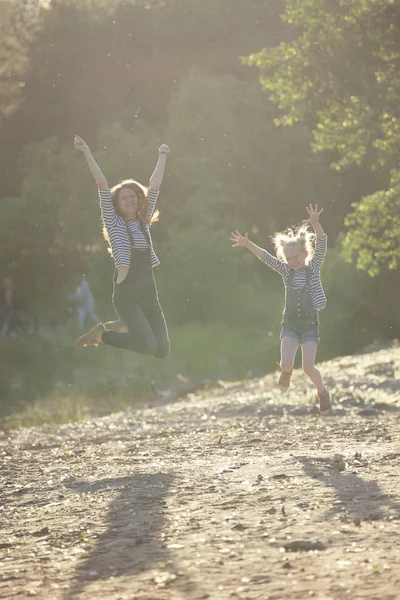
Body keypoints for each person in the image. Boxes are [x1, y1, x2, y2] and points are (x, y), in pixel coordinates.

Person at [73, 135, 170, 359]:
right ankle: (102, 335)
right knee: (148, 346)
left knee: (162, 350)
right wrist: (87, 151)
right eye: (124, 197)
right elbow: (101, 184)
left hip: (148, 292)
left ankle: (123, 324)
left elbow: (154, 186)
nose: (130, 200)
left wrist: (162, 155)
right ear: (116, 203)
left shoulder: (144, 221)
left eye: (133, 196)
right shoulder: (113, 221)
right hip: (126, 294)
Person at [230, 204, 331, 414]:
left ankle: (322, 393)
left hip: (310, 324)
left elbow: (321, 243)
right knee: (286, 363)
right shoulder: (286, 272)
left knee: (308, 367)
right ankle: (286, 373)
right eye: (289, 259)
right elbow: (266, 257)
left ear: (305, 253)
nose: (293, 262)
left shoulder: (313, 268)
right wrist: (248, 244)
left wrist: (316, 224)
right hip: (291, 324)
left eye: (296, 258)